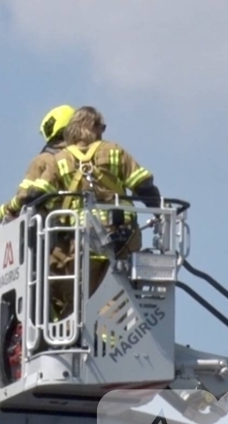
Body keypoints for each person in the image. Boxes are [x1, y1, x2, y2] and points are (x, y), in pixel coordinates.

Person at [41, 106, 162, 316]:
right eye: (102, 127)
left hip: (82, 238)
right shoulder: (115, 151)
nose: (103, 132)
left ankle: (78, 324)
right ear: (91, 127)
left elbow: (39, 193)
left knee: (84, 296)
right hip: (124, 237)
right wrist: (161, 212)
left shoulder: (60, 160)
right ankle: (108, 329)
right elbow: (143, 185)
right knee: (118, 294)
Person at [0, 105, 74, 239]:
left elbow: (24, 197)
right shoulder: (88, 157)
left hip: (55, 238)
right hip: (91, 234)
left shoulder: (43, 160)